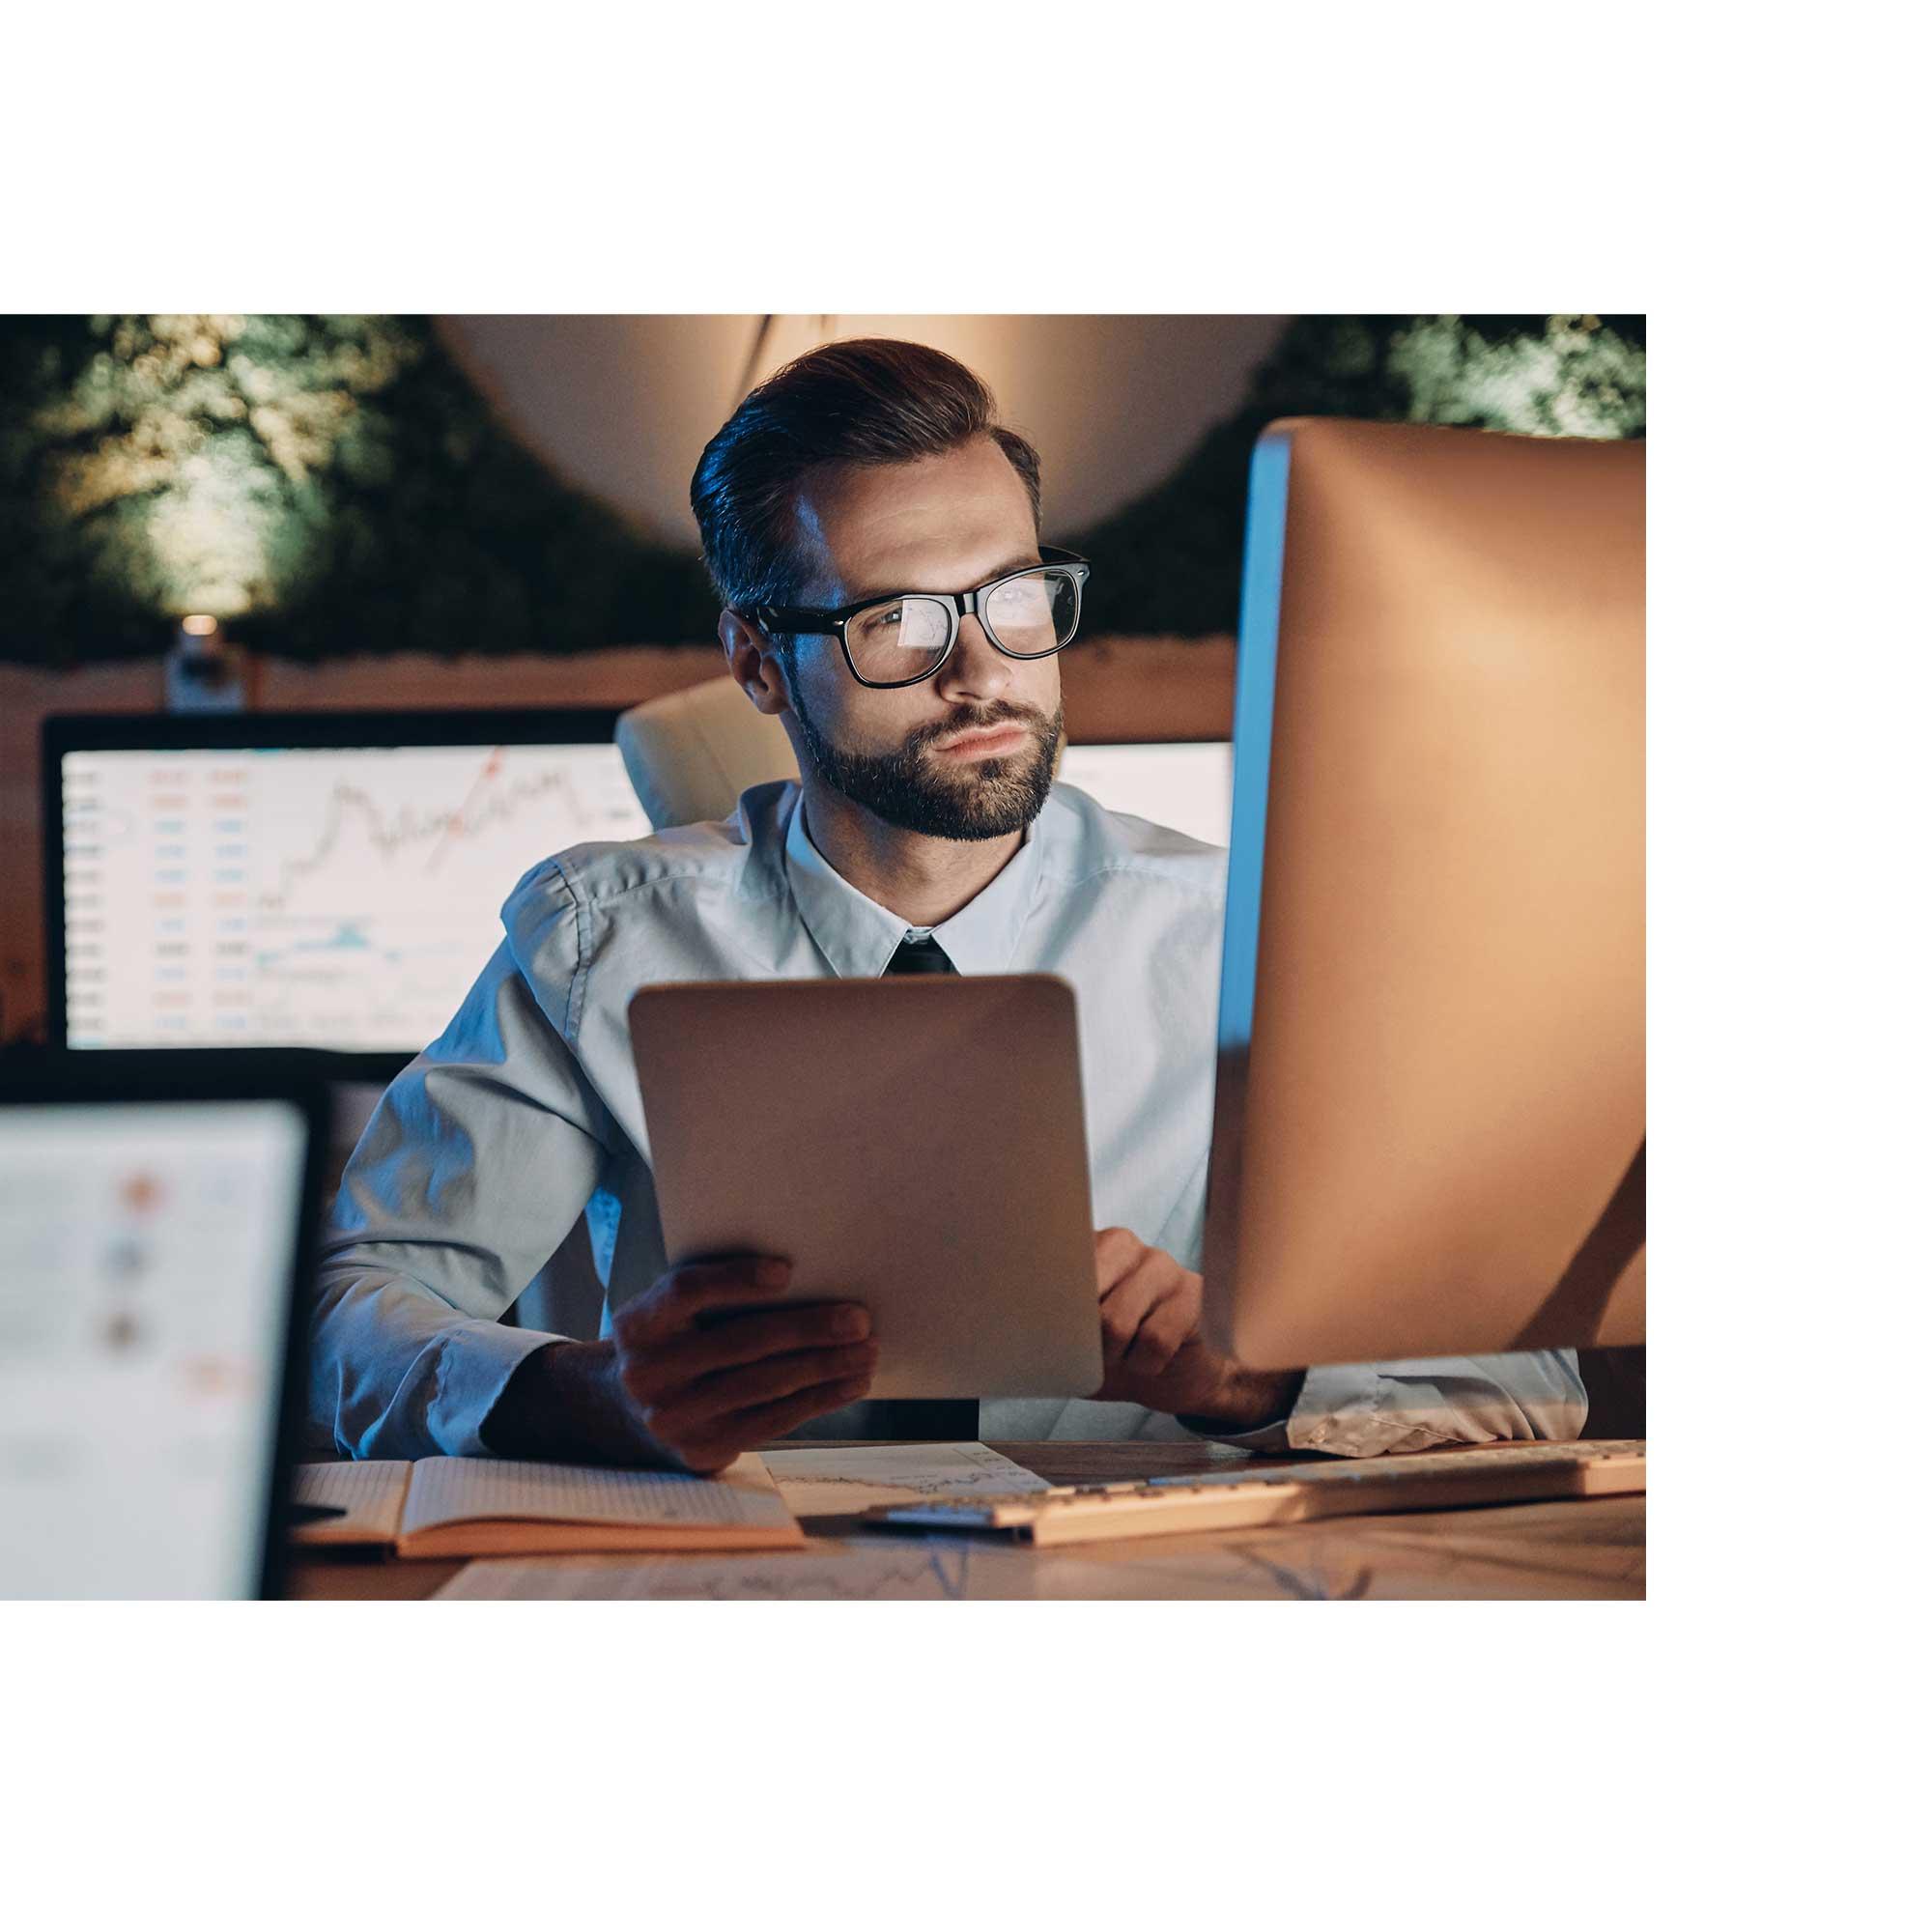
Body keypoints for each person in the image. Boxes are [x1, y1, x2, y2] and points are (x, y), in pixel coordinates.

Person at [313, 337, 1584, 1468]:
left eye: (1015, 596)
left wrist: (1249, 1382)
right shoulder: (602, 935)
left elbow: (1527, 1380)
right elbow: (341, 1310)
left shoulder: (1245, 945)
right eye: (898, 621)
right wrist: (599, 1399)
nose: (984, 673)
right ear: (758, 660)